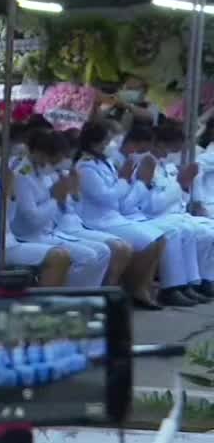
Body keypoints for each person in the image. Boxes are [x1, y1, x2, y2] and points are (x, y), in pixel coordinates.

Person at [0, 127, 71, 285]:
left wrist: (12, 195)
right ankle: (45, 303)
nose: (0, 159)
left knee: (62, 256)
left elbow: (9, 217)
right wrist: (6, 194)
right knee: (58, 257)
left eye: (1, 154)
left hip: (8, 242)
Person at [73, 121, 170, 308]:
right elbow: (107, 197)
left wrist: (128, 182)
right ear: (95, 143)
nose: (110, 145)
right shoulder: (85, 166)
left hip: (114, 216)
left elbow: (119, 197)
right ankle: (125, 289)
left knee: (160, 239)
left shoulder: (105, 162)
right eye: (106, 141)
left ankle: (140, 288)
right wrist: (124, 179)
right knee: (150, 242)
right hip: (97, 221)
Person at [13, 129, 123, 287]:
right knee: (88, 256)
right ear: (40, 153)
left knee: (103, 252)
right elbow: (33, 220)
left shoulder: (47, 172)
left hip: (52, 231)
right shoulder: (22, 176)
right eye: (54, 159)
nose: (56, 163)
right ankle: (71, 297)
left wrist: (71, 192)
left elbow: (67, 207)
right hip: (29, 236)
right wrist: (55, 198)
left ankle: (82, 297)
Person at [136, 122, 214, 301]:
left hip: (174, 215)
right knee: (178, 231)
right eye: (172, 146)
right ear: (160, 143)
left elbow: (180, 200)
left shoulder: (166, 165)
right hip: (151, 217)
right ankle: (172, 287)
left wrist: (184, 188)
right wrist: (180, 184)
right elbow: (152, 205)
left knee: (209, 230)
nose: (173, 151)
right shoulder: (146, 165)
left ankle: (201, 281)